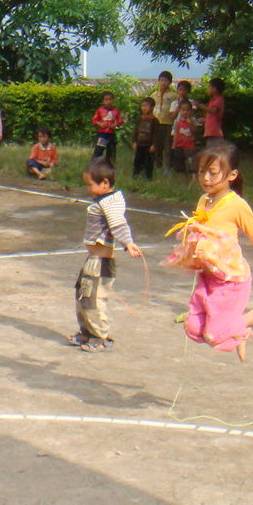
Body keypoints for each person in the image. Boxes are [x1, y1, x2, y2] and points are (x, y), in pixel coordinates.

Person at [166, 143, 253, 362]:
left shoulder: (236, 205)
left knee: (214, 334)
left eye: (212, 173)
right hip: (208, 277)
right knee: (193, 328)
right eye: (201, 172)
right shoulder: (204, 200)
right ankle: (238, 332)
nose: (205, 178)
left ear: (232, 175)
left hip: (230, 279)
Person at [71, 158, 143, 352]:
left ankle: (100, 336)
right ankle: (86, 331)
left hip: (100, 263)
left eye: (90, 185)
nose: (88, 189)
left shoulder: (111, 203)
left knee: (94, 299)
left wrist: (128, 243)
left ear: (105, 183)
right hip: (92, 260)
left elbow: (118, 223)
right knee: (82, 295)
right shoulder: (102, 201)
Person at [151, 71, 177, 173]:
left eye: (165, 80)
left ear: (169, 82)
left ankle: (168, 167)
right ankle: (158, 166)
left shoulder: (173, 95)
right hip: (156, 123)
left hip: (168, 123)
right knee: (157, 145)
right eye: (161, 80)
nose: (163, 83)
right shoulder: (154, 94)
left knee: (168, 146)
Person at [91, 91, 124, 164]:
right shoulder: (100, 110)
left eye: (110, 99)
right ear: (103, 101)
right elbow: (94, 120)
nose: (108, 101)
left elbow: (120, 120)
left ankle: (110, 166)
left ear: (113, 100)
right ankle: (94, 165)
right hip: (102, 134)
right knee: (99, 150)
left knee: (111, 151)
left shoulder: (116, 111)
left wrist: (116, 124)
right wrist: (100, 124)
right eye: (106, 100)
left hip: (111, 134)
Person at [131, 97, 160, 180]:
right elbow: (135, 131)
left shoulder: (154, 120)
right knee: (137, 161)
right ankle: (135, 176)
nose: (144, 108)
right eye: (142, 106)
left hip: (149, 144)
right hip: (140, 143)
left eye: (146, 106)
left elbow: (156, 134)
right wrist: (134, 141)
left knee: (149, 162)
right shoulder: (139, 119)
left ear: (152, 107)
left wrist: (154, 144)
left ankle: (148, 178)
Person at [170, 100, 198, 175]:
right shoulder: (178, 122)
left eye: (187, 110)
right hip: (179, 145)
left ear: (191, 111)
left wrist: (190, 124)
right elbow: (176, 133)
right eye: (183, 110)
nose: (185, 112)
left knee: (192, 160)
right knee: (179, 160)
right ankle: (181, 176)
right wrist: (174, 144)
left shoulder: (193, 120)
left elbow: (195, 131)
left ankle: (193, 176)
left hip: (189, 145)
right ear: (180, 110)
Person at [199, 77, 227, 146]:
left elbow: (213, 111)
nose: (207, 90)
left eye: (209, 87)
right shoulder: (213, 100)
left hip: (214, 131)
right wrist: (205, 120)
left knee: (214, 151)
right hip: (210, 131)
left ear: (214, 89)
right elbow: (213, 116)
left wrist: (200, 105)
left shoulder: (219, 99)